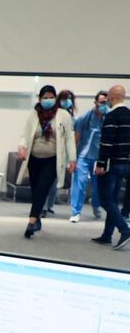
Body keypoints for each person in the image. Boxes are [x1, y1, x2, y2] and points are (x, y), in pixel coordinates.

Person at [17, 85, 76, 238]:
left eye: (51, 97)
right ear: (40, 99)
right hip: (34, 158)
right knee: (36, 190)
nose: (48, 100)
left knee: (43, 188)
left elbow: (69, 139)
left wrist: (72, 159)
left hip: (52, 159)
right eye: (45, 97)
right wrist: (22, 147)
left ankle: (31, 222)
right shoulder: (34, 115)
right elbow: (25, 134)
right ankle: (37, 219)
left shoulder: (63, 115)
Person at [92, 85, 130, 250]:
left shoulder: (111, 116)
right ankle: (107, 235)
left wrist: (101, 164)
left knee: (105, 199)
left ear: (112, 97)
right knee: (113, 200)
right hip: (126, 164)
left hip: (112, 164)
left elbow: (106, 143)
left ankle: (124, 230)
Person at [70, 91, 109, 222]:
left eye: (107, 102)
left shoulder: (108, 118)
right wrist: (73, 158)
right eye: (102, 102)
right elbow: (76, 138)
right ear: (96, 103)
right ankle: (76, 212)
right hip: (83, 156)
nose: (105, 105)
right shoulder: (84, 118)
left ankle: (96, 205)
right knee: (80, 183)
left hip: (99, 157)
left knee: (98, 185)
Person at [42, 89, 76, 217]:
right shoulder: (51, 114)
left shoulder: (72, 117)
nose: (66, 102)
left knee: (55, 184)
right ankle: (43, 207)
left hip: (64, 156)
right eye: (64, 99)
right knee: (47, 182)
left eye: (69, 99)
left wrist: (71, 159)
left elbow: (71, 139)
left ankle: (49, 205)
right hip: (51, 153)